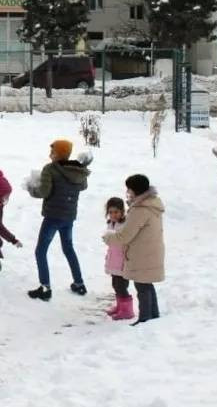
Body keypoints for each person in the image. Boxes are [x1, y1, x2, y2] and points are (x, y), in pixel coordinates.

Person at [27, 139, 91, 300]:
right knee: (68, 248)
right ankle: (79, 283)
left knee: (40, 251)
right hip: (68, 216)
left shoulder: (50, 169)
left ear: (59, 154)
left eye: (53, 152)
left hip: (53, 216)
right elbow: (83, 186)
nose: (50, 154)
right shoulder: (77, 170)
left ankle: (45, 288)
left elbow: (43, 192)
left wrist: (30, 188)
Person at [102, 175, 166, 325]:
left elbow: (125, 235)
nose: (128, 192)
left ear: (135, 190)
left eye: (129, 189)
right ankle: (153, 316)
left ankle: (145, 319)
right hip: (150, 250)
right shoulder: (151, 204)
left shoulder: (140, 210)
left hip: (143, 253)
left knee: (142, 285)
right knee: (147, 285)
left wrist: (108, 238)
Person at [102, 197, 134, 321]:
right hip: (114, 259)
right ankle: (120, 306)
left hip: (122, 261)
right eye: (110, 212)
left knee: (121, 286)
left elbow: (123, 241)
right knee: (115, 284)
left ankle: (127, 310)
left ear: (122, 211)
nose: (113, 215)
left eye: (116, 212)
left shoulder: (124, 225)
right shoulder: (111, 224)